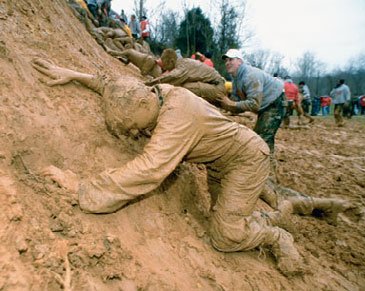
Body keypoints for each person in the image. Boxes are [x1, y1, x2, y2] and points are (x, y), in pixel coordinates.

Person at [31, 57, 304, 276]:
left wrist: (82, 189)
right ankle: (272, 215)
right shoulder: (154, 95)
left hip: (246, 161)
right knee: (227, 217)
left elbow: (150, 169)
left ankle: (277, 236)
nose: (134, 133)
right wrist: (75, 75)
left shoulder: (177, 117)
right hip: (221, 164)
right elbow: (116, 87)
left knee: (225, 235)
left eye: (133, 126)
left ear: (143, 104)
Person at [219, 49, 285, 156]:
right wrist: (224, 104)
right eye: (226, 60)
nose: (227, 63)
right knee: (262, 136)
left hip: (275, 103)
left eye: (231, 60)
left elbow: (254, 104)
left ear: (239, 61)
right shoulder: (236, 79)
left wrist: (231, 105)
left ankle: (267, 167)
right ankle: (267, 163)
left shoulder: (250, 75)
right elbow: (236, 100)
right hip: (265, 105)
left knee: (263, 139)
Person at [145, 49, 227, 106]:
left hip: (217, 88)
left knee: (183, 88)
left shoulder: (182, 66)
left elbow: (171, 77)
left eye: (166, 65)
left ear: (172, 61)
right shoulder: (182, 62)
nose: (165, 68)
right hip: (214, 85)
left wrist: (148, 84)